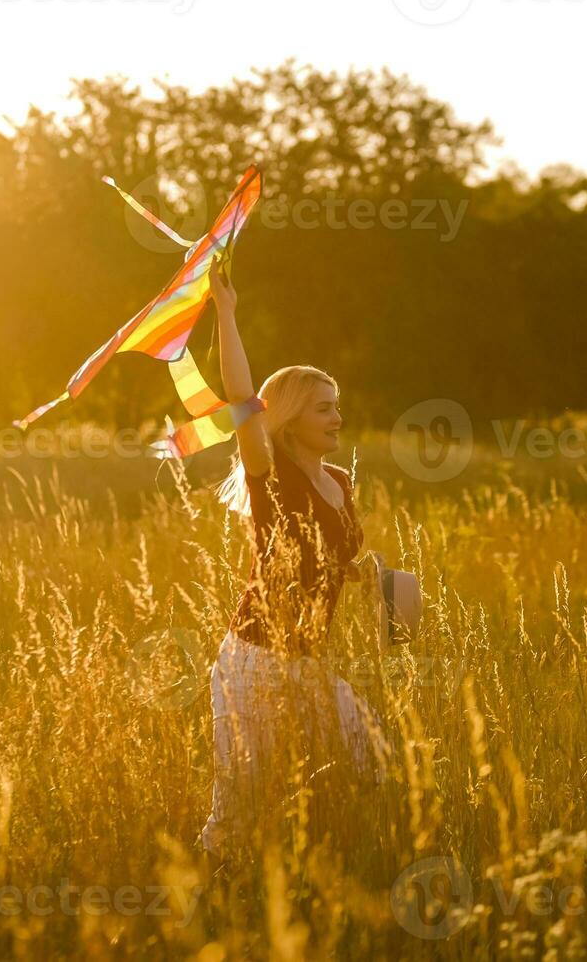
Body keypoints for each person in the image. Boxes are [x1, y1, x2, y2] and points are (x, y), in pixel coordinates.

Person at [198, 257, 392, 861]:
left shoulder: (338, 478)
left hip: (308, 660)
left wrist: (370, 575)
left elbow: (334, 556)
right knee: (242, 795)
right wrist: (226, 314)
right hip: (254, 660)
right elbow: (238, 398)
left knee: (371, 762)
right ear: (289, 420)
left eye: (337, 405)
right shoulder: (269, 474)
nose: (338, 417)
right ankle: (214, 880)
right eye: (323, 408)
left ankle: (325, 858)